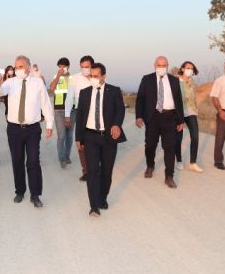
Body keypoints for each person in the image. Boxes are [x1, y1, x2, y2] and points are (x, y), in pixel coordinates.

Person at [0, 55, 54, 208]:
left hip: (32, 129)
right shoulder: (10, 82)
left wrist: (49, 124)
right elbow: (0, 92)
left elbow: (45, 103)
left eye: (20, 66)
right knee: (17, 161)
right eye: (16, 66)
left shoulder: (37, 82)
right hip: (14, 129)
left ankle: (35, 194)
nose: (17, 69)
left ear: (28, 67)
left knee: (33, 161)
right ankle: (20, 191)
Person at [75, 63, 126, 217]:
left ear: (103, 76)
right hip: (90, 136)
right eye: (91, 76)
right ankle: (94, 205)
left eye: (96, 76)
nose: (93, 78)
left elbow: (120, 109)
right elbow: (80, 115)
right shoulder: (84, 93)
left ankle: (102, 198)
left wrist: (116, 124)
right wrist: (78, 138)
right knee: (92, 172)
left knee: (106, 171)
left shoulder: (114, 91)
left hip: (108, 137)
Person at [135, 56, 184, 188]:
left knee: (170, 147)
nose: (161, 67)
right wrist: (139, 116)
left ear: (167, 66)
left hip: (170, 117)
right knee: (150, 145)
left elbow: (178, 101)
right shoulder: (147, 79)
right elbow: (140, 99)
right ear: (154, 65)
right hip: (153, 117)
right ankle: (150, 165)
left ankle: (169, 176)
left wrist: (181, 120)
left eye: (164, 65)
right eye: (159, 65)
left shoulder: (174, 80)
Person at [65, 55, 95, 181]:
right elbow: (69, 97)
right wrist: (67, 115)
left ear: (92, 66)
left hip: (96, 113)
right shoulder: (74, 78)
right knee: (81, 142)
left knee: (95, 141)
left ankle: (96, 168)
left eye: (87, 67)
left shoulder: (97, 77)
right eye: (82, 67)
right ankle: (86, 171)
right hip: (81, 113)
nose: (84, 69)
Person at [176, 61, 203, 173]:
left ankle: (193, 163)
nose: (190, 70)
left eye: (192, 69)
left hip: (191, 112)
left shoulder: (192, 82)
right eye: (188, 68)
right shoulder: (176, 81)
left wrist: (195, 109)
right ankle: (179, 160)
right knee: (178, 138)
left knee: (195, 136)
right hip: (179, 113)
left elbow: (193, 98)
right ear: (182, 69)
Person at [49, 57, 73, 168]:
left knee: (69, 136)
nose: (62, 68)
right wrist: (58, 76)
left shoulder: (72, 78)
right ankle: (62, 158)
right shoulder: (56, 77)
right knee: (61, 136)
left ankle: (67, 156)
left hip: (72, 111)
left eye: (64, 66)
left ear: (68, 67)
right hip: (59, 110)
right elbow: (51, 89)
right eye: (60, 67)